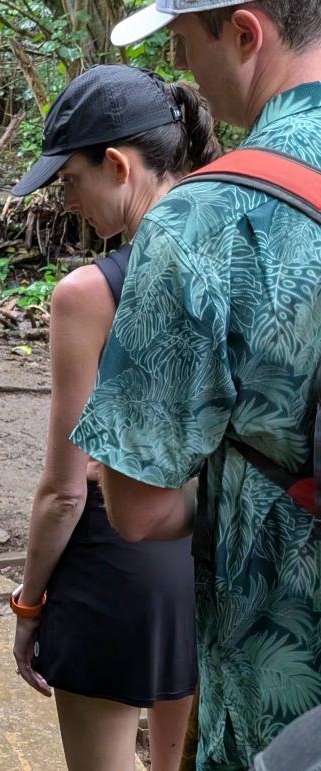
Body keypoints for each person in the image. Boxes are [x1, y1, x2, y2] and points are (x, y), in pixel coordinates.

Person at [69, 2, 321, 768]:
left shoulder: (202, 220)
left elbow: (137, 509)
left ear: (245, 33)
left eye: (184, 43)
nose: (186, 72)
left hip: (280, 665)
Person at [9, 65, 218, 771]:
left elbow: (66, 489)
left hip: (114, 566)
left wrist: (29, 605)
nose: (67, 200)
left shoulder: (87, 293)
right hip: (203, 553)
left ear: (119, 166)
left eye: (69, 179)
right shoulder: (231, 253)